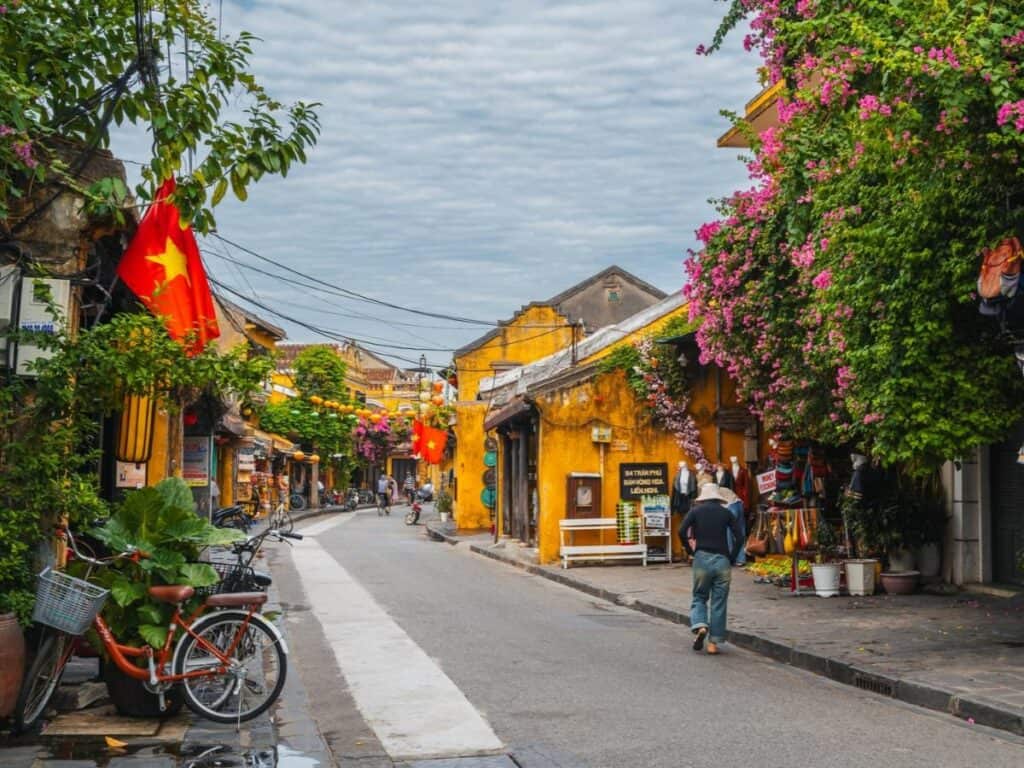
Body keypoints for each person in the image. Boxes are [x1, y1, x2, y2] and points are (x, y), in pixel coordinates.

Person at [680, 475, 743, 655]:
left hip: (702, 558)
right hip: (722, 560)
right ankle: (713, 644)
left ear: (703, 497)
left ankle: (700, 625)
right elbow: (739, 536)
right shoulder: (726, 512)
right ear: (718, 497)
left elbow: (681, 530)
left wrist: (690, 550)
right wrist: (731, 557)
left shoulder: (695, 511)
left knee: (699, 596)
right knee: (719, 602)